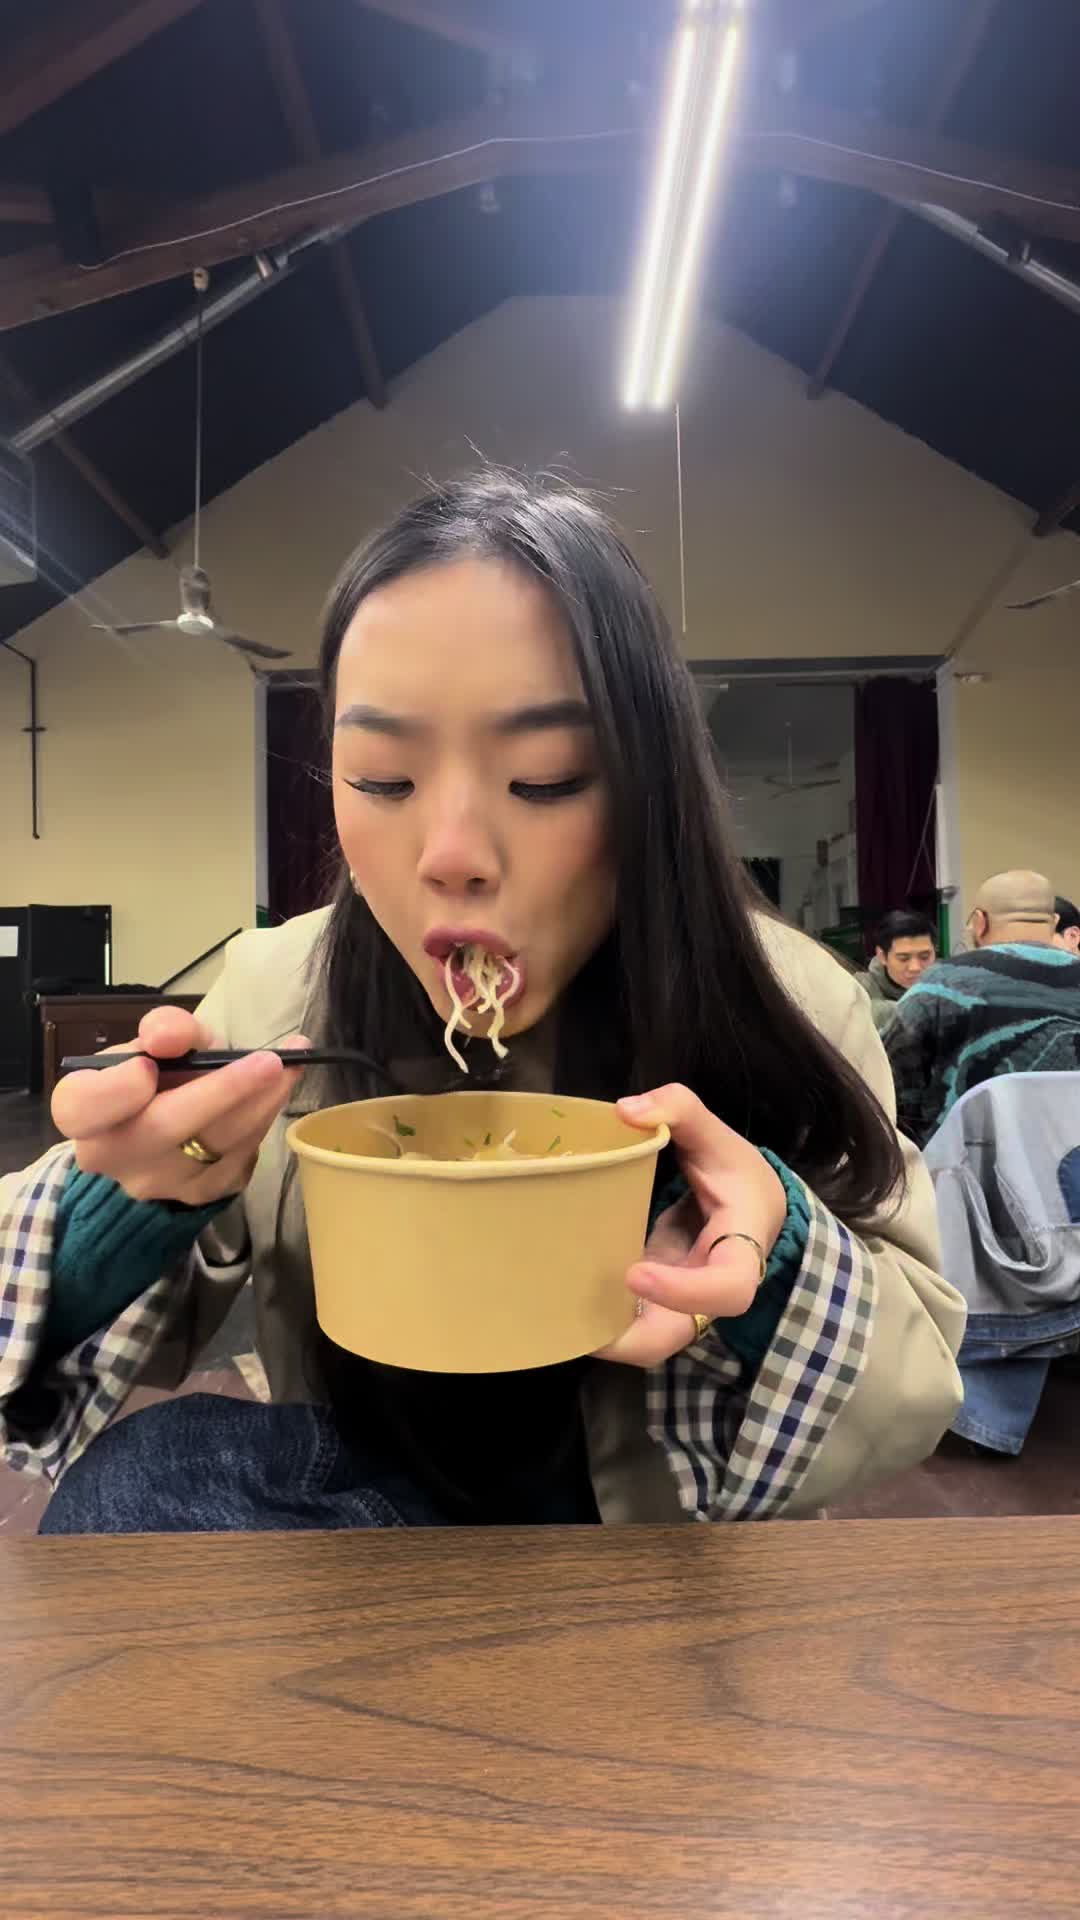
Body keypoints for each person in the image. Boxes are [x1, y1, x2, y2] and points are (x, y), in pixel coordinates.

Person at [0, 472, 963, 1534]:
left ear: (649, 786)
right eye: (382, 779)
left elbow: (916, 1380)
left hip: (657, 1556)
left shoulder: (787, 995)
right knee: (146, 1479)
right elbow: (65, 1306)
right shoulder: (280, 992)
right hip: (355, 1525)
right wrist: (131, 1199)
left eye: (547, 776)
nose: (451, 855)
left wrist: (773, 1255)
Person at [886, 868, 1080, 1148]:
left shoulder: (942, 984)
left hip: (968, 1165)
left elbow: (889, 1081)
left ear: (980, 922)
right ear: (1054, 922)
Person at [856, 910, 938, 1034]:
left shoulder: (949, 984)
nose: (915, 967)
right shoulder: (860, 988)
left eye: (924, 957)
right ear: (882, 956)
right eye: (903, 958)